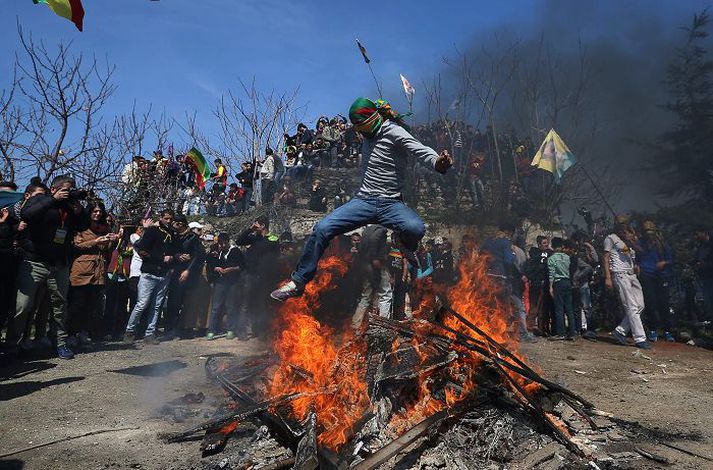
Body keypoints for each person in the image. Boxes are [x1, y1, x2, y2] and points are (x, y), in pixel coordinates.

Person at [271, 97, 452, 301]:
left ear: (372, 120)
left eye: (362, 128)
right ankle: (298, 282)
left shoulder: (394, 131)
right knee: (322, 228)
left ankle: (403, 242)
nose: (360, 134)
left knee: (416, 228)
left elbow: (419, 149)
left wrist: (438, 162)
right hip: (363, 201)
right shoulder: (366, 134)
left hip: (390, 203)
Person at [5, 175, 90, 360]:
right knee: (23, 305)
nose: (70, 191)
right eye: (67, 188)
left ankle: (59, 342)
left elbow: (85, 225)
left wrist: (80, 211)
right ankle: (12, 344)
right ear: (55, 189)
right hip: (34, 262)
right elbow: (27, 214)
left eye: (72, 188)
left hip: (59, 264)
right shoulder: (40, 199)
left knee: (60, 306)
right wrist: (52, 200)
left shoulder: (70, 206)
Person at [67, 201, 117, 345]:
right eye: (94, 211)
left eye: (100, 211)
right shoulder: (81, 227)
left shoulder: (104, 228)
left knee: (92, 305)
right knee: (77, 304)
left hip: (98, 272)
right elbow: (77, 245)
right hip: (82, 270)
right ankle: (70, 333)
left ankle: (84, 331)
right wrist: (95, 241)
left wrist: (111, 241)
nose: (97, 214)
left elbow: (107, 251)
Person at [123, 210, 175, 345]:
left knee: (156, 306)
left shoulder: (171, 234)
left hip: (164, 275)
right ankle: (130, 331)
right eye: (166, 218)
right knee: (141, 304)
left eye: (171, 219)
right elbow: (142, 250)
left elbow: (171, 253)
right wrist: (160, 258)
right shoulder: (152, 231)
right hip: (149, 273)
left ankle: (150, 333)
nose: (169, 221)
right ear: (161, 218)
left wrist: (173, 259)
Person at [603, 221, 651, 349]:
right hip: (620, 274)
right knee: (631, 307)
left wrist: (632, 242)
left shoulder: (627, 243)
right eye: (624, 230)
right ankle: (640, 338)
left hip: (632, 275)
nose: (626, 233)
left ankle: (620, 331)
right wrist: (608, 277)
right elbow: (606, 258)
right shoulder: (611, 239)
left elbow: (642, 252)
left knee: (640, 305)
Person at [163, 214, 204, 340]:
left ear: (182, 224)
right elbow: (169, 251)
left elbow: (198, 256)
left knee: (187, 302)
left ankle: (184, 330)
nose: (174, 225)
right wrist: (176, 256)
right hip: (176, 270)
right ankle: (169, 330)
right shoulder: (173, 237)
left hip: (189, 272)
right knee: (173, 301)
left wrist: (188, 270)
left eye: (177, 223)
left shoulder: (193, 238)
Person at [636, 220, 674, 342]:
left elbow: (671, 260)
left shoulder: (662, 244)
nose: (649, 234)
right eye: (646, 231)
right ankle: (652, 329)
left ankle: (667, 330)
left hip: (661, 275)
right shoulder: (641, 243)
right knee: (650, 303)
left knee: (663, 304)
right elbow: (636, 256)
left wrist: (664, 263)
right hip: (646, 274)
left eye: (650, 231)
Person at [206, 233, 245, 340]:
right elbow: (210, 263)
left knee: (230, 306)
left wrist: (231, 269)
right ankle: (211, 330)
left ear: (228, 241)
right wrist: (216, 268)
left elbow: (241, 267)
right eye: (220, 243)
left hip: (232, 283)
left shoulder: (236, 251)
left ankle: (230, 329)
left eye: (224, 243)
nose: (222, 246)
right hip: (219, 282)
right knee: (215, 307)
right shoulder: (216, 252)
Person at [351, 225, 391, 330]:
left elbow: (362, 246)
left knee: (365, 296)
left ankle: (355, 325)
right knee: (385, 295)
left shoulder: (366, 230)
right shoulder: (380, 229)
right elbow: (375, 239)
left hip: (366, 265)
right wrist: (375, 257)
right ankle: (382, 327)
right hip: (376, 265)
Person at [548, 237, 576, 340]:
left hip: (558, 283)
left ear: (553, 246)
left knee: (559, 309)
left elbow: (552, 274)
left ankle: (561, 333)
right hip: (567, 282)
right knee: (569, 308)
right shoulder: (567, 257)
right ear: (562, 246)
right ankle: (572, 333)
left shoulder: (552, 258)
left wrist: (550, 287)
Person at [693, 228, 713, 320]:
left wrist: (704, 265)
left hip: (710, 276)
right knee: (708, 302)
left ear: (704, 233)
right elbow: (696, 259)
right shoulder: (700, 246)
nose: (696, 237)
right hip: (704, 277)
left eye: (698, 234)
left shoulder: (710, 246)